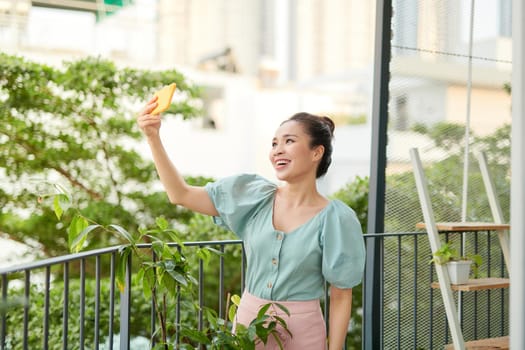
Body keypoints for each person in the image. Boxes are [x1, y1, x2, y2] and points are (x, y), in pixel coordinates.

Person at [137, 95, 366, 350]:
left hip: (303, 333)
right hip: (248, 325)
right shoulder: (254, 197)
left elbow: (341, 294)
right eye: (274, 143)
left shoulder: (337, 219)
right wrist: (152, 137)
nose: (277, 149)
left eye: (289, 141)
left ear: (316, 152)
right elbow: (180, 194)